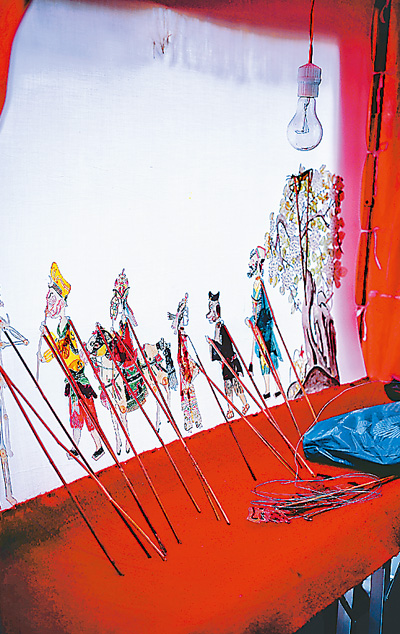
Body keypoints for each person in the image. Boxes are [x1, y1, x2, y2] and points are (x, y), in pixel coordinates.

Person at [41, 262, 104, 460]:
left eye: (52, 297)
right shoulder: (60, 328)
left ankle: (99, 446)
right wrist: (48, 339)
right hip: (72, 379)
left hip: (79, 379)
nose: (49, 301)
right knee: (76, 416)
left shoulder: (67, 325)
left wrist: (49, 340)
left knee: (88, 415)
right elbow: (59, 349)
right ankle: (76, 447)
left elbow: (66, 349)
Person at [206, 291, 249, 419]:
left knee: (235, 385)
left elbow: (224, 347)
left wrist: (212, 343)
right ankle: (230, 409)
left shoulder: (221, 327)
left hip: (230, 361)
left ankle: (244, 404)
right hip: (225, 363)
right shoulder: (218, 327)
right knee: (228, 386)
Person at [247, 247, 282, 400]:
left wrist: (253, 320)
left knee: (269, 356)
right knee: (263, 359)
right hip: (260, 326)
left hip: (264, 326)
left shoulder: (259, 283)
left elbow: (259, 307)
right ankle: (268, 389)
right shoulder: (257, 282)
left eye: (252, 261)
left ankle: (277, 387)